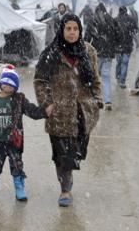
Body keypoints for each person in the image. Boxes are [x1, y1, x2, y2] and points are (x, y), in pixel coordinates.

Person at [34, 13, 102, 207]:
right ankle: (65, 189)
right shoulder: (51, 54)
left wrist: (97, 100)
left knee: (77, 153)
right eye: (68, 29)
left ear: (80, 31)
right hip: (59, 114)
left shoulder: (88, 51)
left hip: (83, 112)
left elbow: (95, 79)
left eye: (75, 29)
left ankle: (68, 175)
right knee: (62, 156)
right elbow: (40, 81)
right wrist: (47, 103)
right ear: (62, 30)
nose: (72, 33)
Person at [0, 66, 53, 201]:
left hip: (13, 140)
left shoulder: (19, 100)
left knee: (16, 164)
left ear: (15, 87)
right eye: (5, 83)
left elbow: (31, 111)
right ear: (0, 84)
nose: (7, 86)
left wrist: (45, 112)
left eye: (11, 84)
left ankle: (19, 187)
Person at [85, 3, 119, 111]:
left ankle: (96, 99)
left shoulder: (92, 21)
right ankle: (108, 101)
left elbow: (86, 38)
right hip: (108, 53)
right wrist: (113, 47)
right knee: (106, 77)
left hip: (97, 52)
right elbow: (117, 35)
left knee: (95, 77)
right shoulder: (111, 20)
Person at [114, 6, 139, 89]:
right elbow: (136, 30)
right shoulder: (131, 20)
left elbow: (112, 33)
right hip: (127, 46)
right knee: (125, 63)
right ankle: (122, 81)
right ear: (126, 11)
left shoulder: (115, 20)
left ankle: (118, 76)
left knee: (119, 62)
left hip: (118, 46)